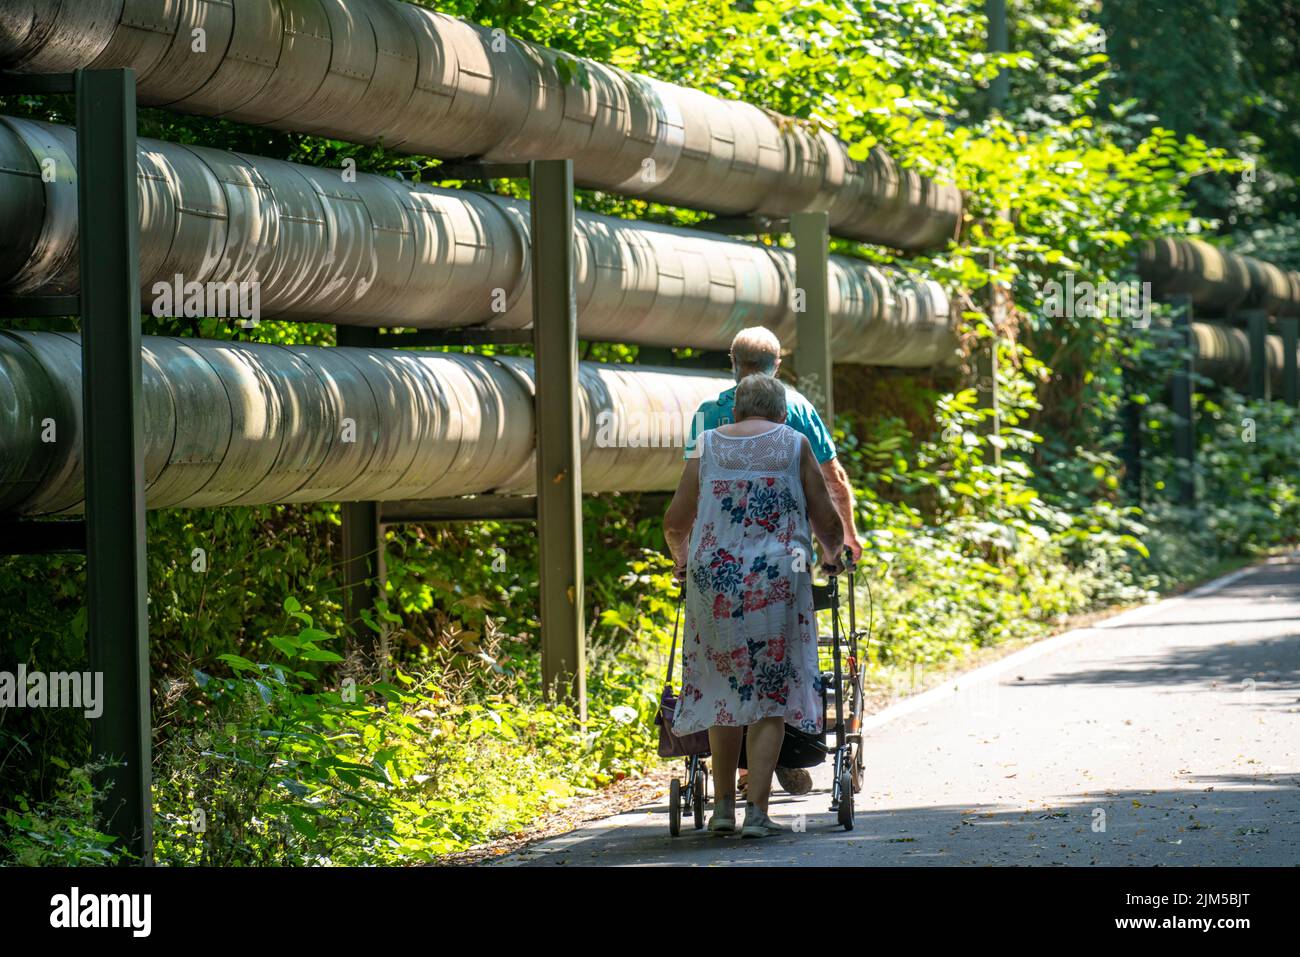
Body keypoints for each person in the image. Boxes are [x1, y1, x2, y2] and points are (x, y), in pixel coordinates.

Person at [683, 325, 861, 797]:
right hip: (782, 565)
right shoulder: (797, 409)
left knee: (726, 671)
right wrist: (843, 543)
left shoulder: (707, 416)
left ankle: (732, 788)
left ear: (732, 361)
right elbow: (831, 482)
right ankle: (771, 773)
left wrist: (687, 554)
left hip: (716, 566)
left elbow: (691, 494)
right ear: (777, 364)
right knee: (774, 674)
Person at [664, 373, 845, 837]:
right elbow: (826, 517)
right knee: (769, 697)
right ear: (781, 413)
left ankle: (723, 809)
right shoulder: (793, 442)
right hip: (776, 585)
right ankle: (757, 815)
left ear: (737, 412)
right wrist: (831, 557)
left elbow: (675, 521)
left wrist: (684, 563)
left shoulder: (706, 444)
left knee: (724, 691)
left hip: (715, 586)